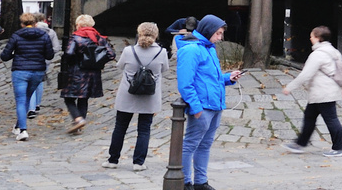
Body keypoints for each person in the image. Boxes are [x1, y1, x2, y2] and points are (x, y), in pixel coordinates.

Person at [177, 14, 243, 190]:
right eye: (218, 33)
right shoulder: (191, 49)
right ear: (208, 31)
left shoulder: (209, 48)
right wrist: (196, 107)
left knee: (205, 145)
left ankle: (201, 182)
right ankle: (184, 182)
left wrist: (228, 78)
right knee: (191, 144)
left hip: (215, 104)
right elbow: (185, 83)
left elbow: (212, 79)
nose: (220, 38)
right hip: (203, 106)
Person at [108, 22, 169, 171]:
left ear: (139, 33)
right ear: (156, 35)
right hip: (149, 96)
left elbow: (120, 66)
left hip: (127, 94)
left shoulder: (129, 51)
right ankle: (138, 162)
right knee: (144, 129)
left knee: (120, 127)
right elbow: (165, 69)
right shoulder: (161, 52)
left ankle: (113, 160)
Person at [280, 26, 342, 157]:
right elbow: (336, 72)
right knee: (309, 117)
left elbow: (305, 75)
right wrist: (339, 88)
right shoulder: (334, 52)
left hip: (322, 93)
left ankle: (340, 147)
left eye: (312, 36)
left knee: (331, 119)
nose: (310, 38)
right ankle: (300, 144)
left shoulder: (317, 55)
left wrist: (289, 87)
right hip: (325, 92)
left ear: (317, 38)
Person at [0, 11, 57, 141]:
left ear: (22, 24)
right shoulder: (44, 35)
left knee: (21, 99)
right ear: (35, 23)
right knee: (27, 97)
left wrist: (16, 54)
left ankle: (23, 130)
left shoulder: (16, 36)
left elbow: (5, 55)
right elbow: (50, 55)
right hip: (37, 71)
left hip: (20, 70)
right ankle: (18, 126)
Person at [61, 13, 113, 133]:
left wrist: (74, 62)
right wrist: (97, 62)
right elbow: (111, 54)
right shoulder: (100, 38)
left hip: (77, 72)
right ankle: (80, 123)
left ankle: (78, 119)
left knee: (68, 98)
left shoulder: (76, 37)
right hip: (93, 74)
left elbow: (69, 53)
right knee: (83, 98)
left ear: (78, 24)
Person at [28, 12, 58, 119]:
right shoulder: (50, 32)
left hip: (31, 59)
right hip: (45, 60)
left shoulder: (30, 31)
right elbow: (56, 47)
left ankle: (31, 108)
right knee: (40, 81)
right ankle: (37, 104)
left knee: (30, 82)